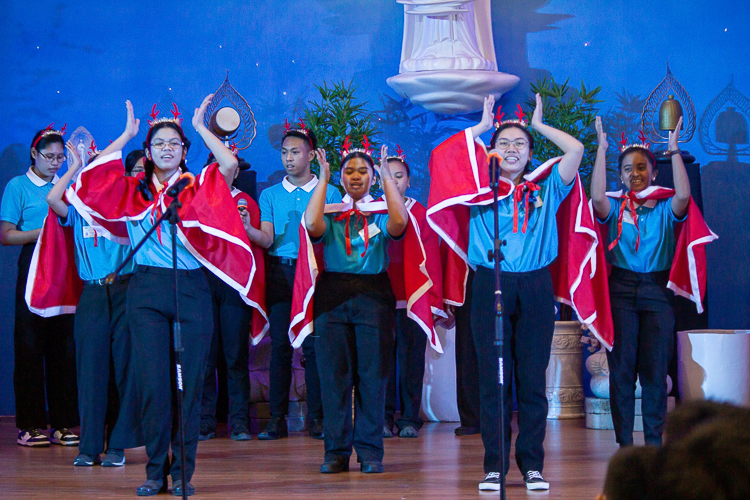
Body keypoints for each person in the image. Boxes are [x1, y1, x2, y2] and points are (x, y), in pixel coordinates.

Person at [69, 97, 266, 496]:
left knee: (188, 386)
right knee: (154, 385)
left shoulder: (198, 187)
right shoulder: (130, 191)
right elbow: (89, 178)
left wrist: (199, 126)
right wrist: (124, 135)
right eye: (158, 142)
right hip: (145, 289)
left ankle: (182, 475)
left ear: (183, 151)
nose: (166, 148)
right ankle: (155, 471)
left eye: (174, 143)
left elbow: (229, 165)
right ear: (148, 151)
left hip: (191, 288)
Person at [427, 94, 605, 491]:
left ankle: (532, 466)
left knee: (530, 379)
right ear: (492, 150)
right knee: (492, 380)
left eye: (519, 144)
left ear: (529, 153)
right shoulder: (479, 188)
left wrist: (539, 126)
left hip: (536, 287)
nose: (511, 150)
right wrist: (479, 126)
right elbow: (442, 157)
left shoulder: (549, 185)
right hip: (491, 284)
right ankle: (494, 466)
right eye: (504, 143)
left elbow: (576, 149)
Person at [591, 116, 715, 448]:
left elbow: (685, 198)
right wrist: (601, 150)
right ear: (621, 174)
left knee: (655, 372)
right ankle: (624, 446)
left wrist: (674, 152)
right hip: (621, 291)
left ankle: (654, 444)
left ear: (653, 171)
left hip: (657, 292)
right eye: (628, 168)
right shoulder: (614, 206)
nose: (635, 173)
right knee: (621, 372)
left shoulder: (664, 207)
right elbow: (597, 196)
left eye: (642, 167)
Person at [294, 141, 408, 474]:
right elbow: (311, 224)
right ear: (342, 178)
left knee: (373, 378)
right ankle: (336, 452)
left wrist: (387, 176)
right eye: (349, 171)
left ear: (372, 177)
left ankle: (371, 453)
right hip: (333, 294)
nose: (356, 176)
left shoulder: (382, 211)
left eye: (363, 171)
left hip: (373, 295)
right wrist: (323, 176)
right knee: (334, 379)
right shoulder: (330, 210)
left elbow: (400, 223)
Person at [43, 142, 142, 467]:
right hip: (94, 294)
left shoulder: (127, 206)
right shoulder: (78, 205)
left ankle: (117, 445)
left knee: (123, 370)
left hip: (126, 290)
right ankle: (89, 447)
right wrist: (73, 166)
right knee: (91, 370)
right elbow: (52, 199)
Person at [247, 122, 340, 441]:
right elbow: (266, 238)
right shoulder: (270, 194)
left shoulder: (330, 190)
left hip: (317, 275)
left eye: (295, 152)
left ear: (311, 155)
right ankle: (276, 420)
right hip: (282, 274)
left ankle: (317, 418)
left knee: (315, 347)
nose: (288, 158)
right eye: (284, 152)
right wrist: (248, 228)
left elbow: (333, 238)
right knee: (281, 348)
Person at [1, 125, 79, 448]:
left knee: (63, 347)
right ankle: (30, 425)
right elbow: (6, 235)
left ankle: (62, 423)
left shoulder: (65, 186)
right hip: (33, 265)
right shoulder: (18, 186)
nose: (55, 163)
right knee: (30, 345)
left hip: (63, 267)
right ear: (34, 154)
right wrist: (43, 232)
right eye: (49, 157)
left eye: (61, 157)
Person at [199, 156, 264, 442]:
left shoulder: (246, 202)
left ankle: (238, 421)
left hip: (235, 284)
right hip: (204, 281)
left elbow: (255, 243)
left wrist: (246, 227)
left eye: (230, 167)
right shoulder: (199, 198)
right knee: (205, 357)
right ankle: (204, 421)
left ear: (237, 171)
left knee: (235, 355)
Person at [382, 149, 444, 439]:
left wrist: (433, 301)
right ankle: (381, 418)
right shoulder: (372, 211)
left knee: (411, 361)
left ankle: (409, 418)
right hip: (379, 300)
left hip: (413, 301)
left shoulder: (421, 213)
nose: (393, 181)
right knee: (380, 363)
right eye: (388, 175)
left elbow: (432, 259)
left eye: (399, 176)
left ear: (408, 180)